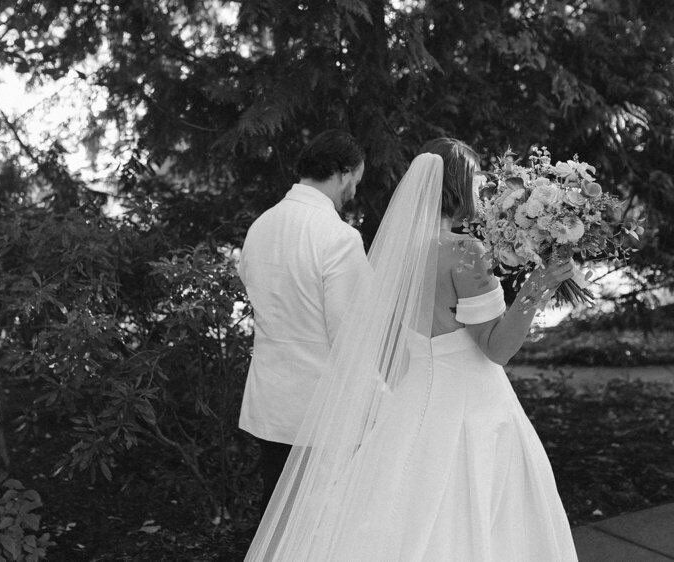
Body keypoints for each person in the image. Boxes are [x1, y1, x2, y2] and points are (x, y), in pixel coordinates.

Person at [246, 138, 578, 561]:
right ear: (458, 187)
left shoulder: (397, 255)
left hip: (411, 404)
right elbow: (496, 349)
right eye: (476, 181)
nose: (481, 192)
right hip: (472, 410)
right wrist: (537, 288)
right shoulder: (463, 251)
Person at [238, 129, 371, 518]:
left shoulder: (260, 225)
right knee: (317, 523)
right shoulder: (339, 238)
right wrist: (378, 400)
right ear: (344, 173)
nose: (355, 192)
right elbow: (351, 335)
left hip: (271, 400)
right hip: (321, 409)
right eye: (356, 182)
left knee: (276, 517)